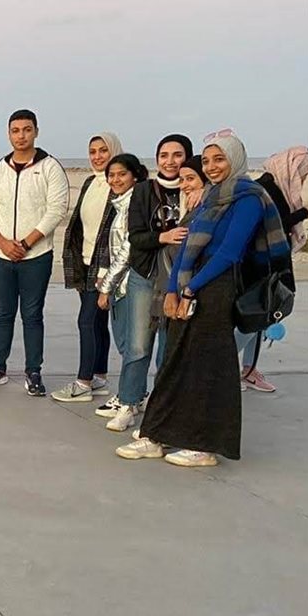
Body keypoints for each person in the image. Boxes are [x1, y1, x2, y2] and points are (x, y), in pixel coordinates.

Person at [118, 133, 289, 467]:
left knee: (208, 366)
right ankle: (156, 435)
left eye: (219, 159)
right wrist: (173, 289)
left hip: (217, 286)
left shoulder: (249, 197)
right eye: (207, 160)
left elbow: (229, 252)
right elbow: (186, 246)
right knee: (174, 361)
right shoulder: (211, 196)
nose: (211, 167)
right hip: (189, 283)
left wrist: (190, 289)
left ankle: (204, 446)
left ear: (235, 159)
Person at [95, 133, 194, 418]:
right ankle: (128, 402)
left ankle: (161, 408)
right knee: (138, 344)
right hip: (146, 273)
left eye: (177, 155)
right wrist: (164, 236)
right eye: (164, 155)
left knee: (168, 347)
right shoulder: (144, 191)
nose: (170, 161)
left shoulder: (196, 190)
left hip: (180, 277)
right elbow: (135, 237)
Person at [0, 109, 69, 396]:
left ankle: (33, 371)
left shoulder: (50, 167)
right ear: (9, 134)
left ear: (36, 131)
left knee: (32, 314)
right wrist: (0, 241)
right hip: (1, 256)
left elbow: (56, 210)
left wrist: (26, 243)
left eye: (27, 129)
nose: (21, 136)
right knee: (2, 313)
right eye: (15, 130)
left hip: (36, 256)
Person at [54, 132, 123, 403]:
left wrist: (107, 271)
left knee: (86, 321)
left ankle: (83, 382)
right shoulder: (90, 182)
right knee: (97, 322)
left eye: (103, 150)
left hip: (104, 265)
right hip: (84, 262)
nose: (97, 156)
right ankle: (99, 376)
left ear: (114, 151)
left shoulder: (120, 185)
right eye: (93, 151)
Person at [238, 146, 308, 392]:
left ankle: (248, 369)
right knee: (258, 315)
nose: (303, 178)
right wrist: (305, 212)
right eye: (303, 172)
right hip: (261, 265)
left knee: (260, 317)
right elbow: (274, 225)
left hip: (267, 263)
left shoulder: (276, 187)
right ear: (291, 169)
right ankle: (224, 367)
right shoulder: (266, 189)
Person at [93, 153, 150, 432]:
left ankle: (129, 400)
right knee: (127, 345)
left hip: (130, 285)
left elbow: (127, 249)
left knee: (133, 347)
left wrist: (107, 286)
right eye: (111, 175)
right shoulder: (120, 204)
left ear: (135, 176)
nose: (115, 180)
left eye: (122, 174)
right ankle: (134, 394)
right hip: (120, 285)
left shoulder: (133, 206)